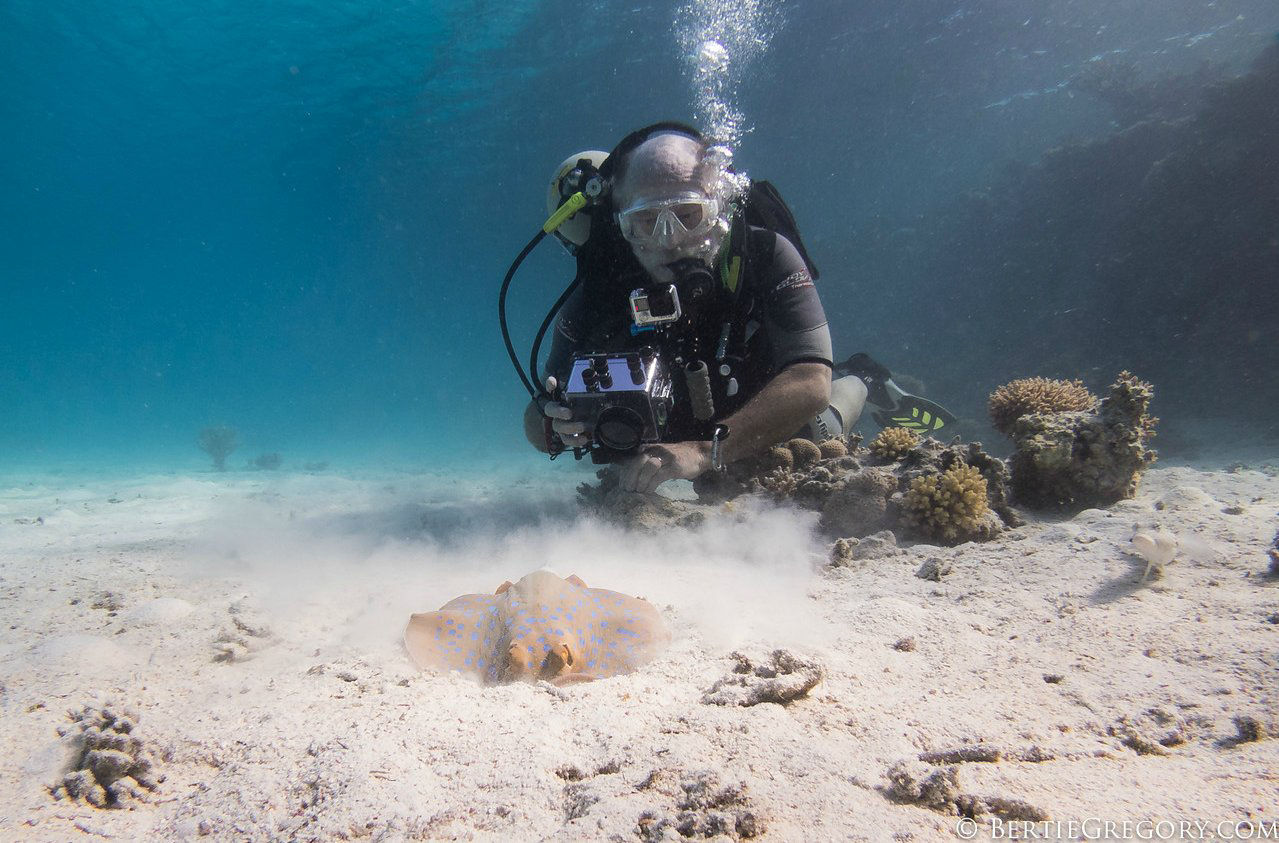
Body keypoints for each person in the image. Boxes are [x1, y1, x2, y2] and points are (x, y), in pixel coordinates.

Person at [522, 123, 946, 493]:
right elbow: (537, 414)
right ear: (619, 226)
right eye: (646, 221)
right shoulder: (597, 292)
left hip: (758, 399)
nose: (670, 240)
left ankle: (863, 377)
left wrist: (706, 452)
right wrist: (554, 424)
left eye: (689, 214)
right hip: (666, 428)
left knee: (817, 432)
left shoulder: (765, 254)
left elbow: (811, 380)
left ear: (719, 207)